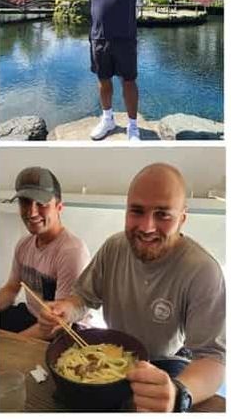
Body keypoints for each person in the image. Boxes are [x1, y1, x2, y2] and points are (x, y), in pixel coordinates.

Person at [39, 163, 225, 412]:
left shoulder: (203, 271)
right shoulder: (114, 247)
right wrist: (65, 310)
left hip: (166, 363)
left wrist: (178, 394)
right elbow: (83, 297)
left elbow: (212, 359)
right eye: (136, 211)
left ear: (182, 218)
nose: (147, 227)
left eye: (163, 214)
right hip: (112, 356)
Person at [9, 0, 216, 141]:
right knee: (103, 80)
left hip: (126, 38)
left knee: (129, 81)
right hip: (99, 39)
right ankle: (108, 119)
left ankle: (133, 126)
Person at [0, 167, 90, 339]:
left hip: (67, 330)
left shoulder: (72, 251)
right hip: (33, 316)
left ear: (59, 206)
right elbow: (11, 288)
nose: (32, 212)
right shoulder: (23, 244)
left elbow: (59, 322)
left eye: (41, 204)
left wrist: (12, 344)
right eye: (25, 202)